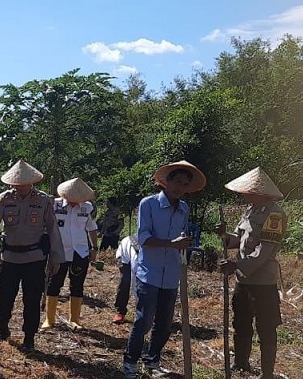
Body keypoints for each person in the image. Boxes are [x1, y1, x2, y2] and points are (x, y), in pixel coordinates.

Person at [122, 160, 205, 379]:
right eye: (177, 181)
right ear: (165, 182)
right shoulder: (148, 204)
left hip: (171, 274)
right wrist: (172, 243)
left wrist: (184, 243)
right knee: (144, 320)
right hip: (149, 271)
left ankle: (153, 361)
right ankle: (130, 362)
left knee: (164, 323)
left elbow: (182, 237)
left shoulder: (184, 209)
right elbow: (144, 238)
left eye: (185, 184)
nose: (180, 187)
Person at [0, 160, 64, 351]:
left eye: (22, 182)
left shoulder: (43, 201)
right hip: (9, 258)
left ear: (31, 182)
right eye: (15, 183)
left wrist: (56, 257)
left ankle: (29, 337)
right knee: (4, 297)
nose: (18, 186)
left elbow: (53, 230)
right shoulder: (4, 198)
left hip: (34, 259)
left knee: (32, 300)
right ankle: (3, 328)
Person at [217, 167, 287, 378]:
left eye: (247, 191)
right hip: (244, 280)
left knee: (266, 328)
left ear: (259, 191)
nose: (243, 194)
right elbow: (238, 241)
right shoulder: (250, 211)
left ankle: (267, 373)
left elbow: (264, 251)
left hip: (263, 282)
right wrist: (224, 236)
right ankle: (241, 363)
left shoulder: (274, 215)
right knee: (241, 322)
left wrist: (237, 265)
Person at [42, 178, 98, 330]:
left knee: (77, 285)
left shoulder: (86, 208)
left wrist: (94, 248)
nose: (74, 201)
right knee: (54, 284)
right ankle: (49, 319)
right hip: (59, 252)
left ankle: (75, 319)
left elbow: (91, 228)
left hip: (80, 252)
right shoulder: (54, 204)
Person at [113, 234, 139, 324]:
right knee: (126, 279)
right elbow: (134, 284)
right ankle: (120, 311)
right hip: (124, 255)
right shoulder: (137, 254)